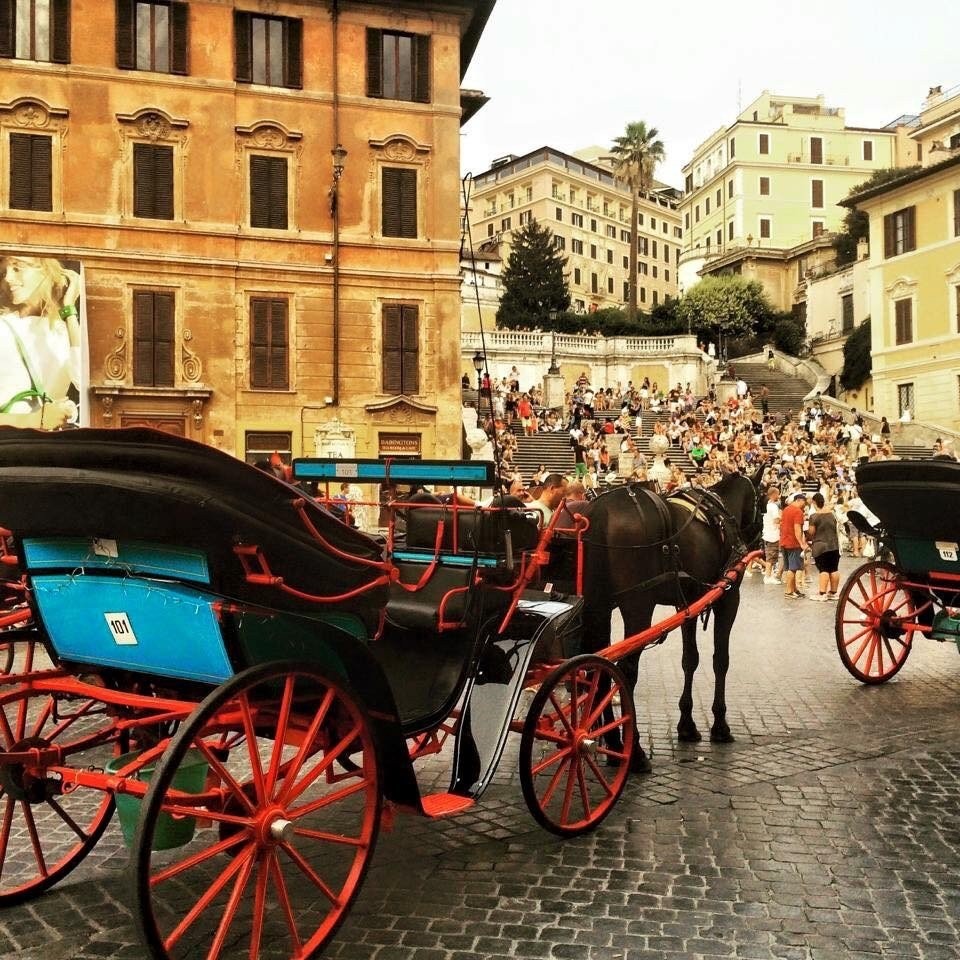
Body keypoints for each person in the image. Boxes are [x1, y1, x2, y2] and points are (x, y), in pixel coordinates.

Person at [0, 254, 81, 429]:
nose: (8, 277)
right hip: (10, 443)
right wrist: (31, 420)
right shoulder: (3, 327)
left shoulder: (62, 330)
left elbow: (83, 380)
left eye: (17, 267)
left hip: (46, 445)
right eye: (5, 270)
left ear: (46, 272)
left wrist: (69, 310)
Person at [807, 492, 841, 601]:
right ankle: (833, 592)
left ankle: (822, 593)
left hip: (821, 546)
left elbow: (811, 532)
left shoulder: (814, 516)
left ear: (814, 502)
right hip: (834, 545)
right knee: (834, 569)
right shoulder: (832, 514)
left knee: (824, 569)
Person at [779, 491, 808, 599]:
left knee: (789, 568)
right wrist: (802, 543)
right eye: (804, 502)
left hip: (784, 541)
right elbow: (797, 529)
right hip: (793, 543)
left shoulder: (786, 509)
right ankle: (788, 592)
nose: (804, 505)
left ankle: (794, 589)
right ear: (798, 500)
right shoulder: (798, 512)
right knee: (793, 568)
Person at [761, 485, 782, 584]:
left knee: (770, 555)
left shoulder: (766, 505)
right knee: (771, 556)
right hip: (773, 534)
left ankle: (770, 575)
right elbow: (776, 520)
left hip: (767, 532)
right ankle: (768, 576)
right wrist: (783, 518)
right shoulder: (773, 506)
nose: (779, 495)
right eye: (778, 493)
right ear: (773, 494)